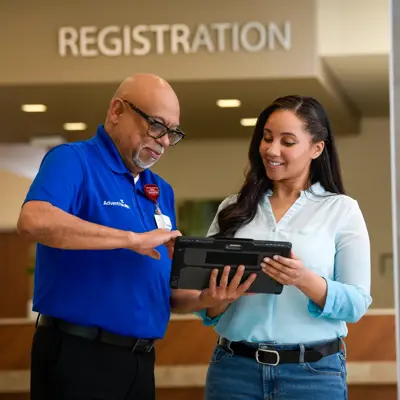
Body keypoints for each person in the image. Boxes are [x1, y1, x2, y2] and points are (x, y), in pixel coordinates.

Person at [17, 73, 255, 400]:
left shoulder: (159, 191)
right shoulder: (72, 160)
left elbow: (164, 294)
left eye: (173, 132)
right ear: (117, 111)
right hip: (78, 354)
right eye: (156, 125)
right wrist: (131, 239)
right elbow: (33, 220)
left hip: (140, 361)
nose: (165, 141)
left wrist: (206, 300)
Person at [196, 95, 372, 400]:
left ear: (317, 148)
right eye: (267, 138)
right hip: (234, 372)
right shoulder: (232, 209)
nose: (271, 149)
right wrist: (217, 298)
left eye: (287, 141)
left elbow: (356, 303)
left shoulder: (342, 210)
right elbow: (207, 305)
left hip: (313, 375)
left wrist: (303, 280)